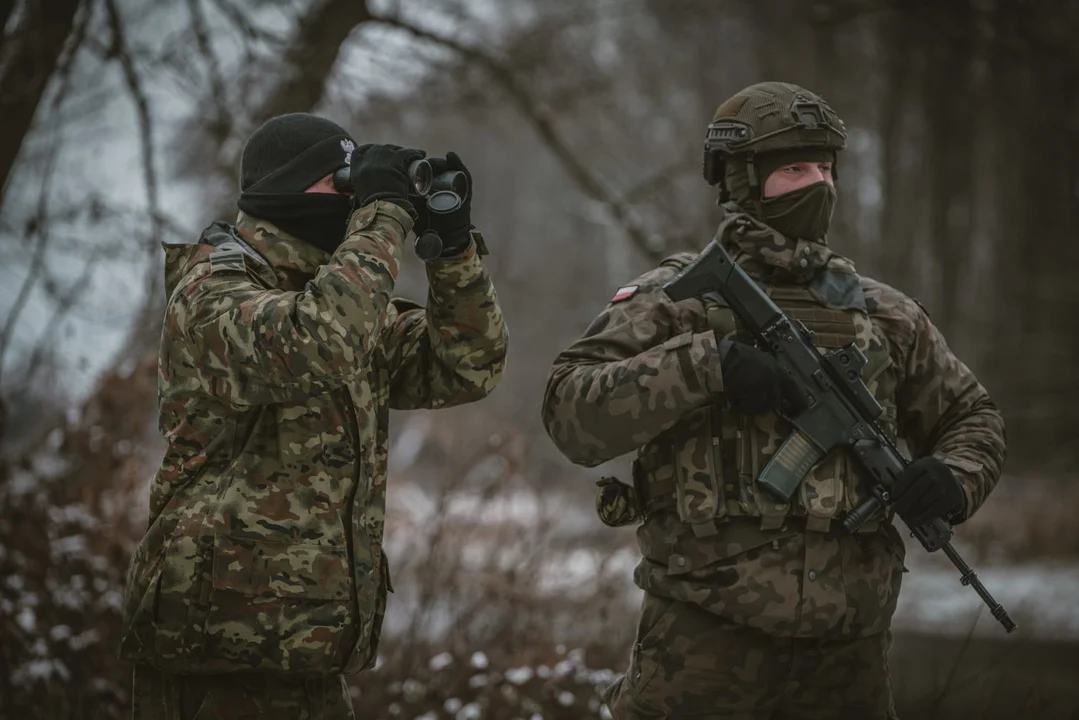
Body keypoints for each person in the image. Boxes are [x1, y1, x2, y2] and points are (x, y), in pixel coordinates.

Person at [541, 82, 1005, 719]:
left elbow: (973, 418)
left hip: (849, 660)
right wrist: (705, 365)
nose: (819, 184)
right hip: (701, 650)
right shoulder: (673, 299)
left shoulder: (885, 315)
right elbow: (570, 411)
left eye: (826, 167)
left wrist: (951, 479)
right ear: (741, 177)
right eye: (795, 168)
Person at [120, 113, 509, 719]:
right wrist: (383, 211)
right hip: (216, 647)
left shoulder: (344, 299)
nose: (353, 199)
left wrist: (452, 250)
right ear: (282, 189)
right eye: (341, 182)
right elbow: (318, 340)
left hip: (309, 650)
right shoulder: (213, 287)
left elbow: (467, 364)